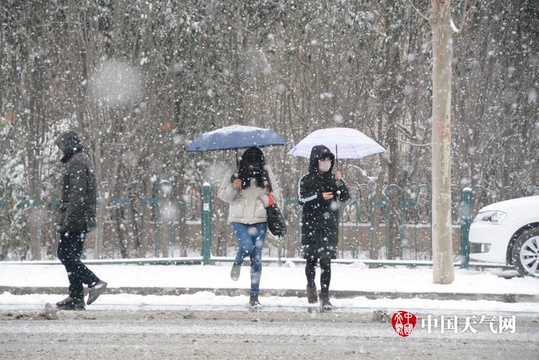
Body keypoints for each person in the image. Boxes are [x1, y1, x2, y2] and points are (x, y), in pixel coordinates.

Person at [217, 147, 280, 309]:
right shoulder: (234, 170)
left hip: (260, 218)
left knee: (257, 258)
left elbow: (276, 193)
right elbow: (223, 195)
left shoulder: (266, 171)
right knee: (246, 247)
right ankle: (238, 261)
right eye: (250, 162)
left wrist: (269, 202)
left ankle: (254, 296)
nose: (253, 166)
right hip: (239, 218)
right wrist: (233, 186)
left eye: (256, 162)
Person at [54, 130, 107, 310]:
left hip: (76, 219)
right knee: (72, 256)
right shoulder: (79, 160)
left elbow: (78, 195)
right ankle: (76, 297)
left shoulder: (76, 162)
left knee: (64, 254)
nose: (60, 151)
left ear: (68, 146)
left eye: (61, 147)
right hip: (79, 217)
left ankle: (94, 282)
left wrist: (68, 219)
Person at [298, 145, 350, 310]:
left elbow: (345, 197)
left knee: (326, 262)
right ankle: (311, 286)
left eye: (328, 160)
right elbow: (302, 199)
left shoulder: (334, 178)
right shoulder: (306, 179)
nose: (326, 163)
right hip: (311, 224)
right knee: (311, 260)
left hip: (329, 226)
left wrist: (339, 182)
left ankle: (325, 295)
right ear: (316, 161)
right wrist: (319, 197)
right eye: (323, 159)